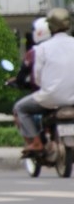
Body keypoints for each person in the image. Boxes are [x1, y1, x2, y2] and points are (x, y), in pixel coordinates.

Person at [12, 8, 74, 152]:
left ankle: (36, 142)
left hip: (49, 98)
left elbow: (37, 77)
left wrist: (46, 87)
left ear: (50, 26)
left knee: (20, 108)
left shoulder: (42, 49)